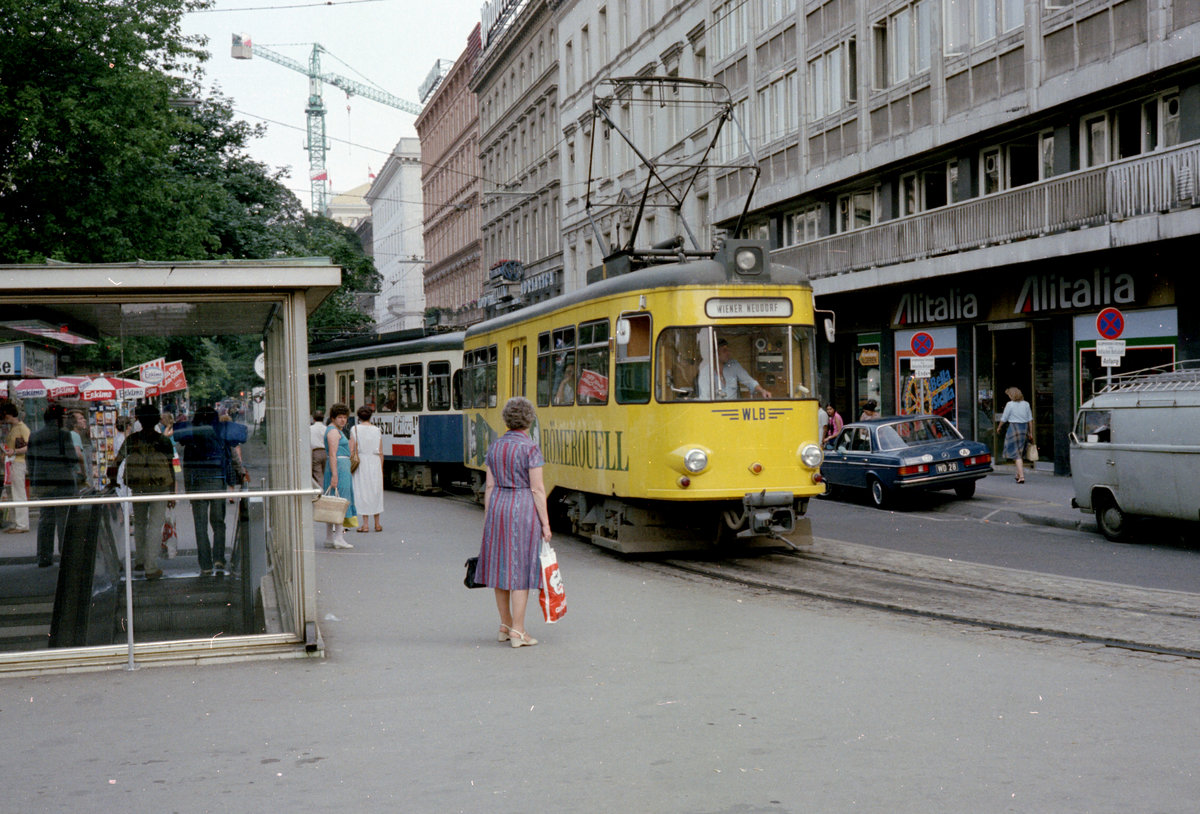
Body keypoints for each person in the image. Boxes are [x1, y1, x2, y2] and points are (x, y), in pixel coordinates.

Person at [475, 397, 551, 649]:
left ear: (507, 419)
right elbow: (538, 490)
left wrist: (489, 517)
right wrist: (546, 524)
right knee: (520, 570)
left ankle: (505, 625)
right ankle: (519, 630)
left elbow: (489, 485)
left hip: (498, 506)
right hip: (522, 507)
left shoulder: (495, 446)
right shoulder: (530, 448)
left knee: (500, 568)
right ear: (529, 420)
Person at [114, 402, 176, 579]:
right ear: (157, 420)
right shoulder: (163, 440)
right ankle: (151, 567)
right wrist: (172, 493)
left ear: (139, 420)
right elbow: (170, 467)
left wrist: (112, 480)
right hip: (160, 488)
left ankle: (140, 560)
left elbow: (117, 461)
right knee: (155, 527)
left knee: (140, 524)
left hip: (138, 486)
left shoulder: (132, 440)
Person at [174, 405, 228, 575]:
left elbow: (188, 466)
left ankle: (205, 564)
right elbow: (227, 459)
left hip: (197, 485)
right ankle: (219, 558)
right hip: (217, 483)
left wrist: (189, 489)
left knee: (200, 525)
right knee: (218, 523)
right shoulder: (219, 435)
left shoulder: (191, 438)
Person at [27, 405, 78, 567]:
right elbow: (72, 459)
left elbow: (30, 462)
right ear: (58, 420)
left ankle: (44, 556)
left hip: (43, 483)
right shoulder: (64, 435)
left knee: (45, 519)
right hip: (63, 482)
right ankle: (65, 555)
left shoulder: (34, 436)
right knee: (63, 520)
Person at [322, 403, 356, 549]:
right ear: (333, 418)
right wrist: (335, 475)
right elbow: (333, 454)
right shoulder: (333, 432)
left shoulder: (334, 430)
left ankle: (330, 537)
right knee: (341, 501)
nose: (343, 420)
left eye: (345, 417)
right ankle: (339, 537)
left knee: (333, 501)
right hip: (339, 468)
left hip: (339, 466)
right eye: (340, 417)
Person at [701, 338, 772, 399]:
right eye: (724, 351)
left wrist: (762, 391)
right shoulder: (705, 372)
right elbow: (704, 398)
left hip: (733, 409)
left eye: (728, 350)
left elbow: (749, 381)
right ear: (715, 354)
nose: (728, 353)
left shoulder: (734, 365)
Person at [350, 406, 384, 533]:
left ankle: (365, 524)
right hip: (375, 462)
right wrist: (380, 467)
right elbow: (380, 451)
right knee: (376, 491)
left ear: (358, 417)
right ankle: (377, 523)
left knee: (363, 491)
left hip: (362, 462)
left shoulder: (355, 429)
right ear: (371, 416)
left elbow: (352, 449)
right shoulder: (377, 430)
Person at [2, 403, 31, 534]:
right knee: (12, 492)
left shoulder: (21, 428)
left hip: (18, 462)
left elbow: (29, 446)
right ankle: (16, 522)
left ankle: (22, 524)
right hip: (11, 462)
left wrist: (14, 451)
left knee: (18, 492)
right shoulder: (14, 428)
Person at [998, 386, 1034, 484]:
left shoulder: (1010, 404)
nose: (1008, 397)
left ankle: (1021, 476)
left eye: (1009, 395)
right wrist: (1031, 432)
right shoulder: (1026, 404)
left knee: (1016, 454)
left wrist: (999, 427)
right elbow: (1030, 420)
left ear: (1012, 395)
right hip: (1024, 429)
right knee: (1019, 453)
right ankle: (1018, 474)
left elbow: (1004, 418)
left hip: (1013, 428)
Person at [310, 411, 327, 488]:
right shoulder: (326, 429)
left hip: (315, 452)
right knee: (325, 473)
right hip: (326, 452)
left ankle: (321, 492)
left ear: (313, 419)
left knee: (318, 475)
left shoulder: (310, 429)